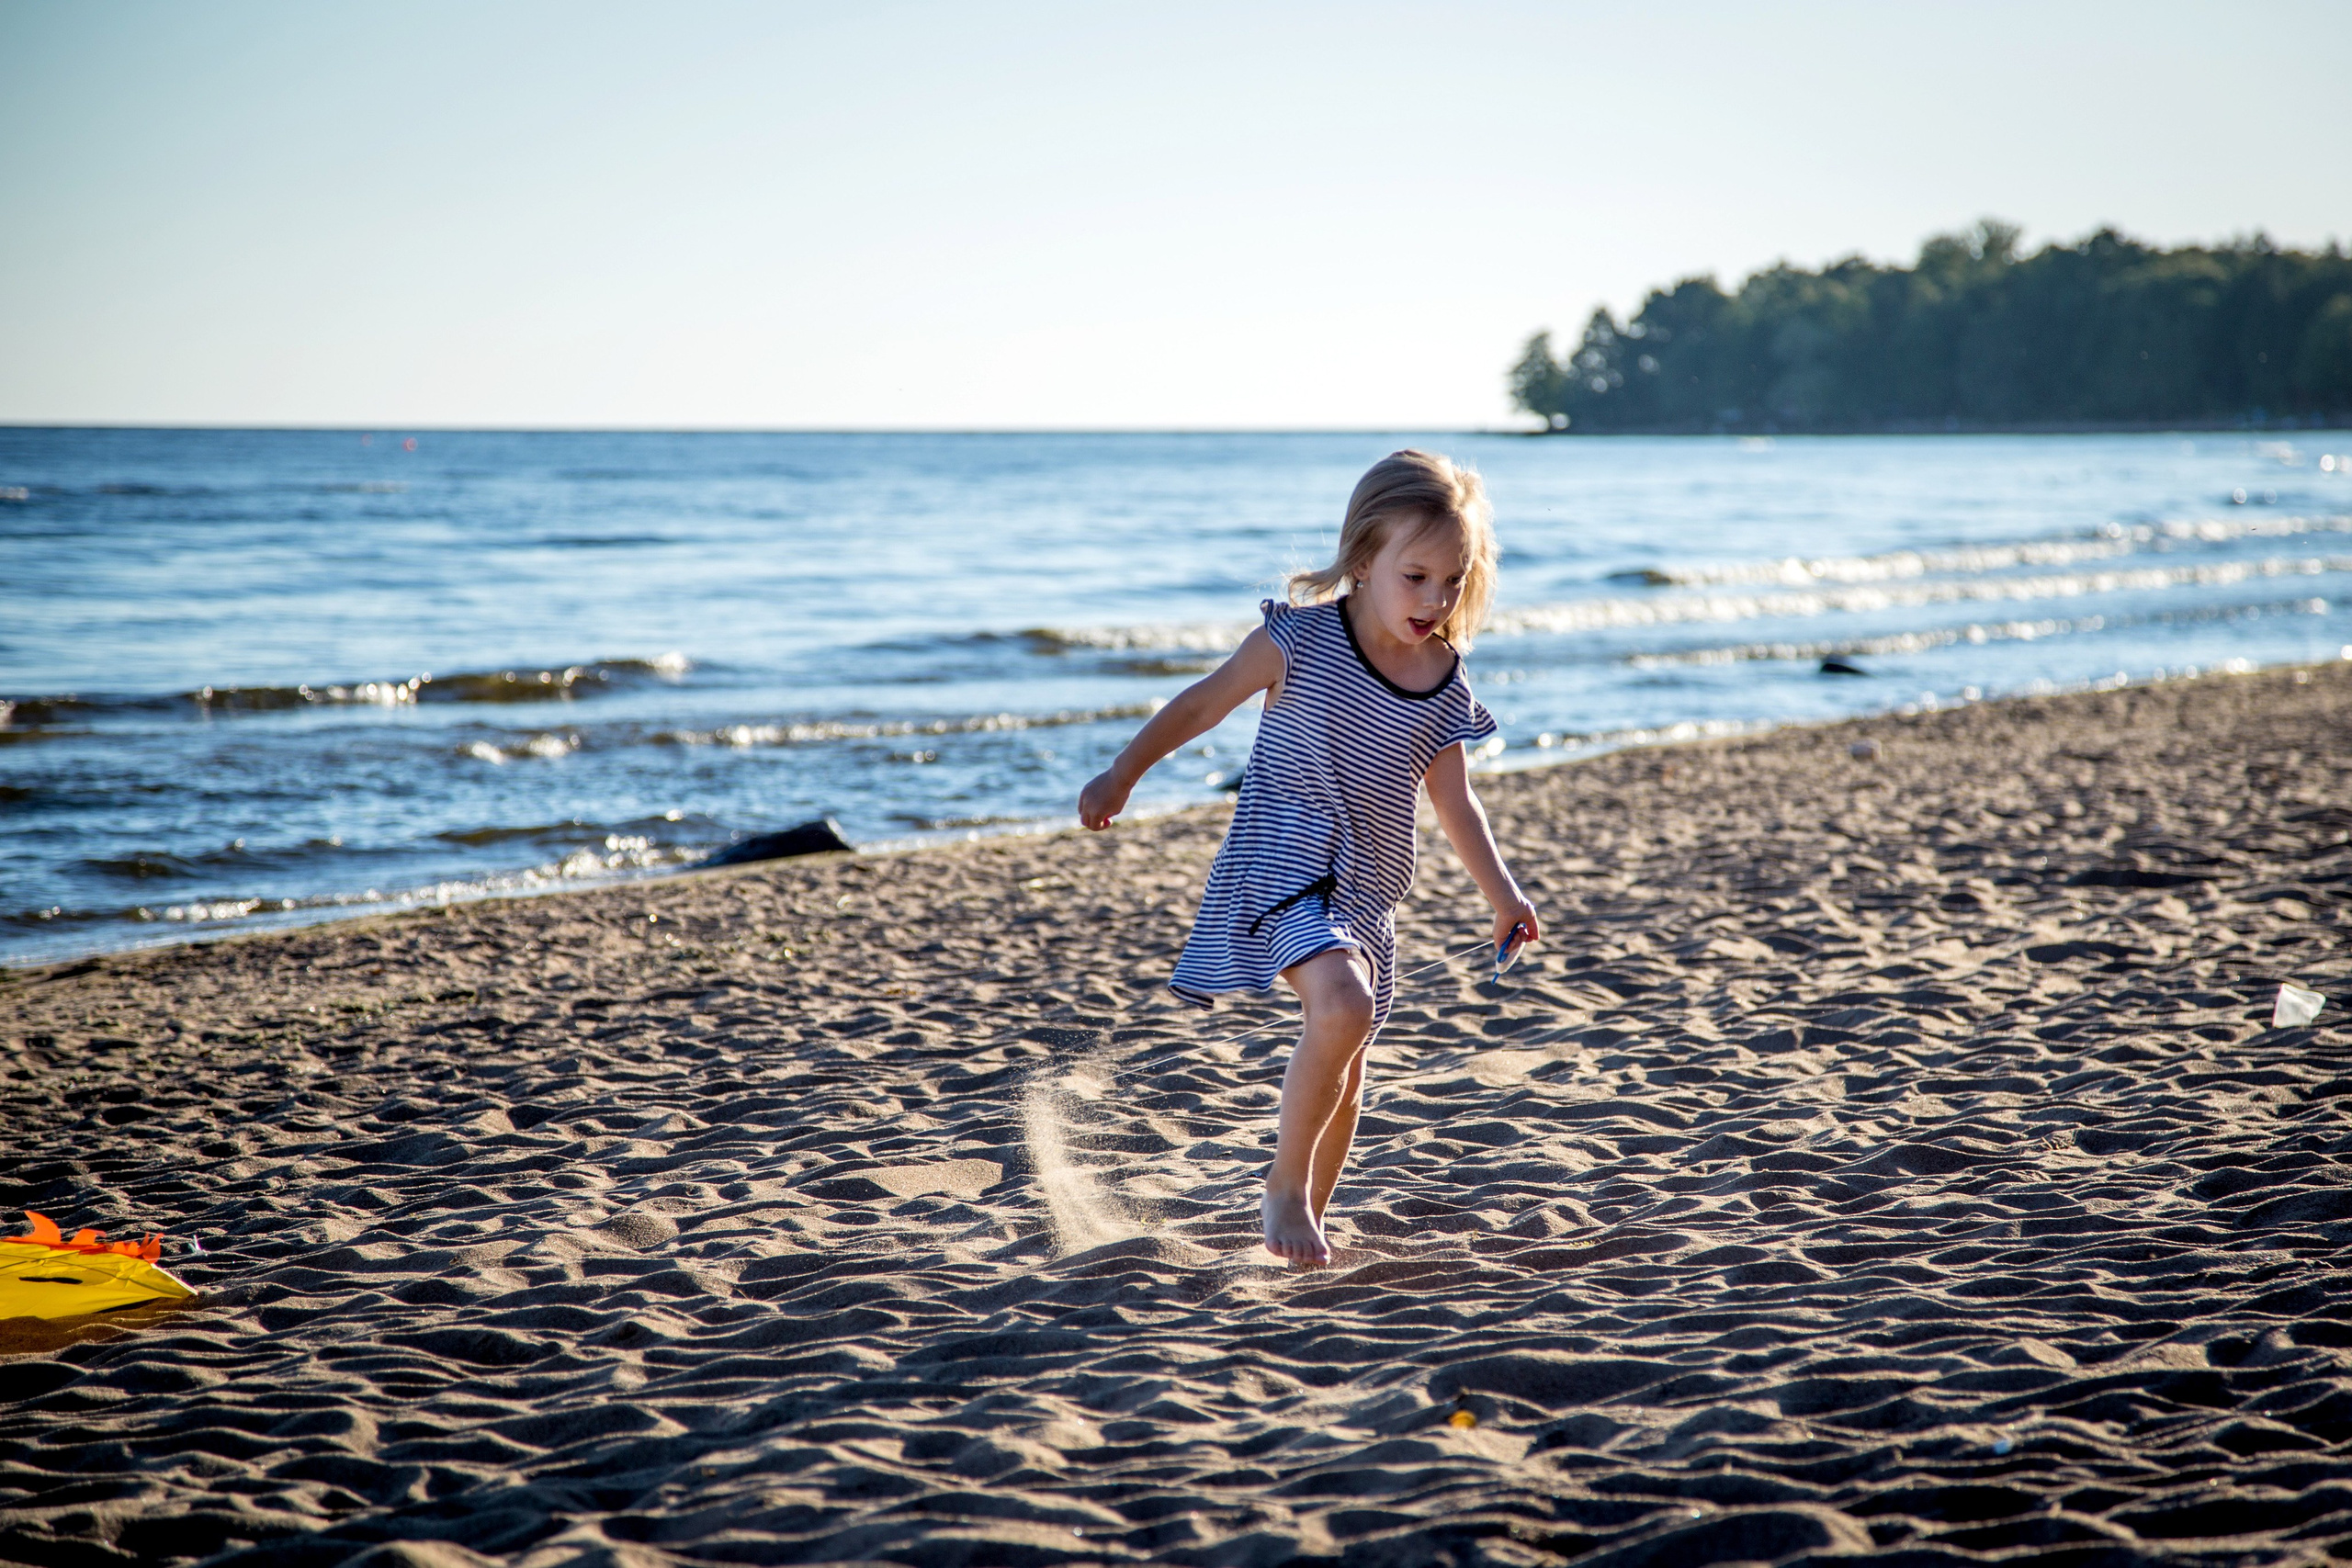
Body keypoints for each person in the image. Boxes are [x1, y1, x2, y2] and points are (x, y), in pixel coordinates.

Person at [1078, 449, 1540, 1267]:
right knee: (1345, 1006)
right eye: (1416, 575)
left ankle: (1303, 1221)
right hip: (1280, 858)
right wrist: (1123, 772)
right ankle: (1284, 1193)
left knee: (1348, 1062)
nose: (1435, 600)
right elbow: (1199, 705)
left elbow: (1454, 801)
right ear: (1363, 561)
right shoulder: (1297, 642)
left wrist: (1503, 894)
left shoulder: (1440, 680)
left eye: (1453, 581)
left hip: (1364, 886)